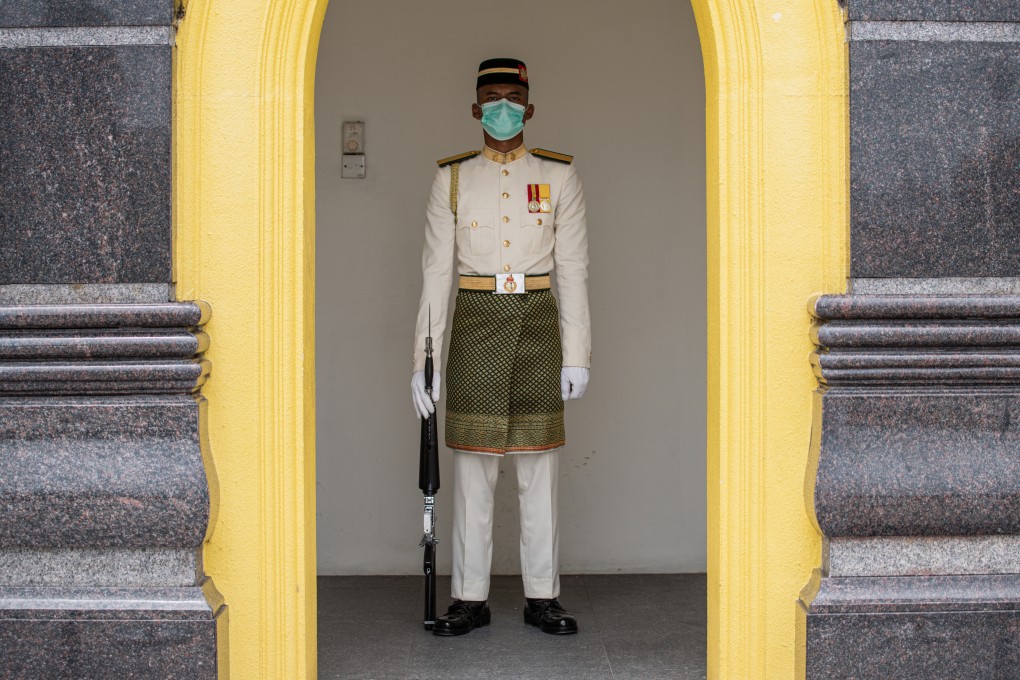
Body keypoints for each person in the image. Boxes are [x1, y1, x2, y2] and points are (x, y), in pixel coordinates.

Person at [411, 58, 591, 637]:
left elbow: (574, 270)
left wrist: (577, 353)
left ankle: (543, 597)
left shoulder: (559, 176)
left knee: (539, 468)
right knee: (473, 468)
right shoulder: (453, 179)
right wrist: (424, 360)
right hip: (476, 321)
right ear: (475, 108)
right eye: (492, 97)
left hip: (537, 321)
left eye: (513, 97)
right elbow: (436, 274)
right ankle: (470, 598)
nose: (503, 107)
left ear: (530, 108)